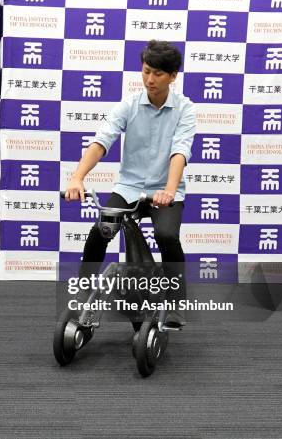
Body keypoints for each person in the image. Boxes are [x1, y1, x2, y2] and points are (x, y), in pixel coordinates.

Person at [64, 40, 195, 327]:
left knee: (167, 236)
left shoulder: (185, 109)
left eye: (158, 74)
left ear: (173, 76)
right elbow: (102, 140)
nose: (150, 79)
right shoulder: (129, 105)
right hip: (129, 189)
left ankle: (175, 302)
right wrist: (77, 177)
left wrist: (170, 190)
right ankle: (85, 290)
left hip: (165, 192)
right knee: (101, 230)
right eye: (146, 71)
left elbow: (180, 151)